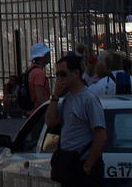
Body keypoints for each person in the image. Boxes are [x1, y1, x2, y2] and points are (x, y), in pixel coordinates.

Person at [45, 52, 106, 186]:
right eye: (57, 75)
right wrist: (55, 97)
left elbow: (101, 134)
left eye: (63, 74)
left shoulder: (89, 99)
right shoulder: (67, 98)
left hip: (83, 165)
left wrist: (87, 166)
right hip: (69, 165)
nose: (60, 79)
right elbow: (50, 121)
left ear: (76, 73)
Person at [29, 42, 53, 108]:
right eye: (47, 53)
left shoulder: (31, 70)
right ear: (42, 56)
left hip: (31, 111)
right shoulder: (39, 73)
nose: (49, 55)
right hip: (38, 112)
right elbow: (40, 98)